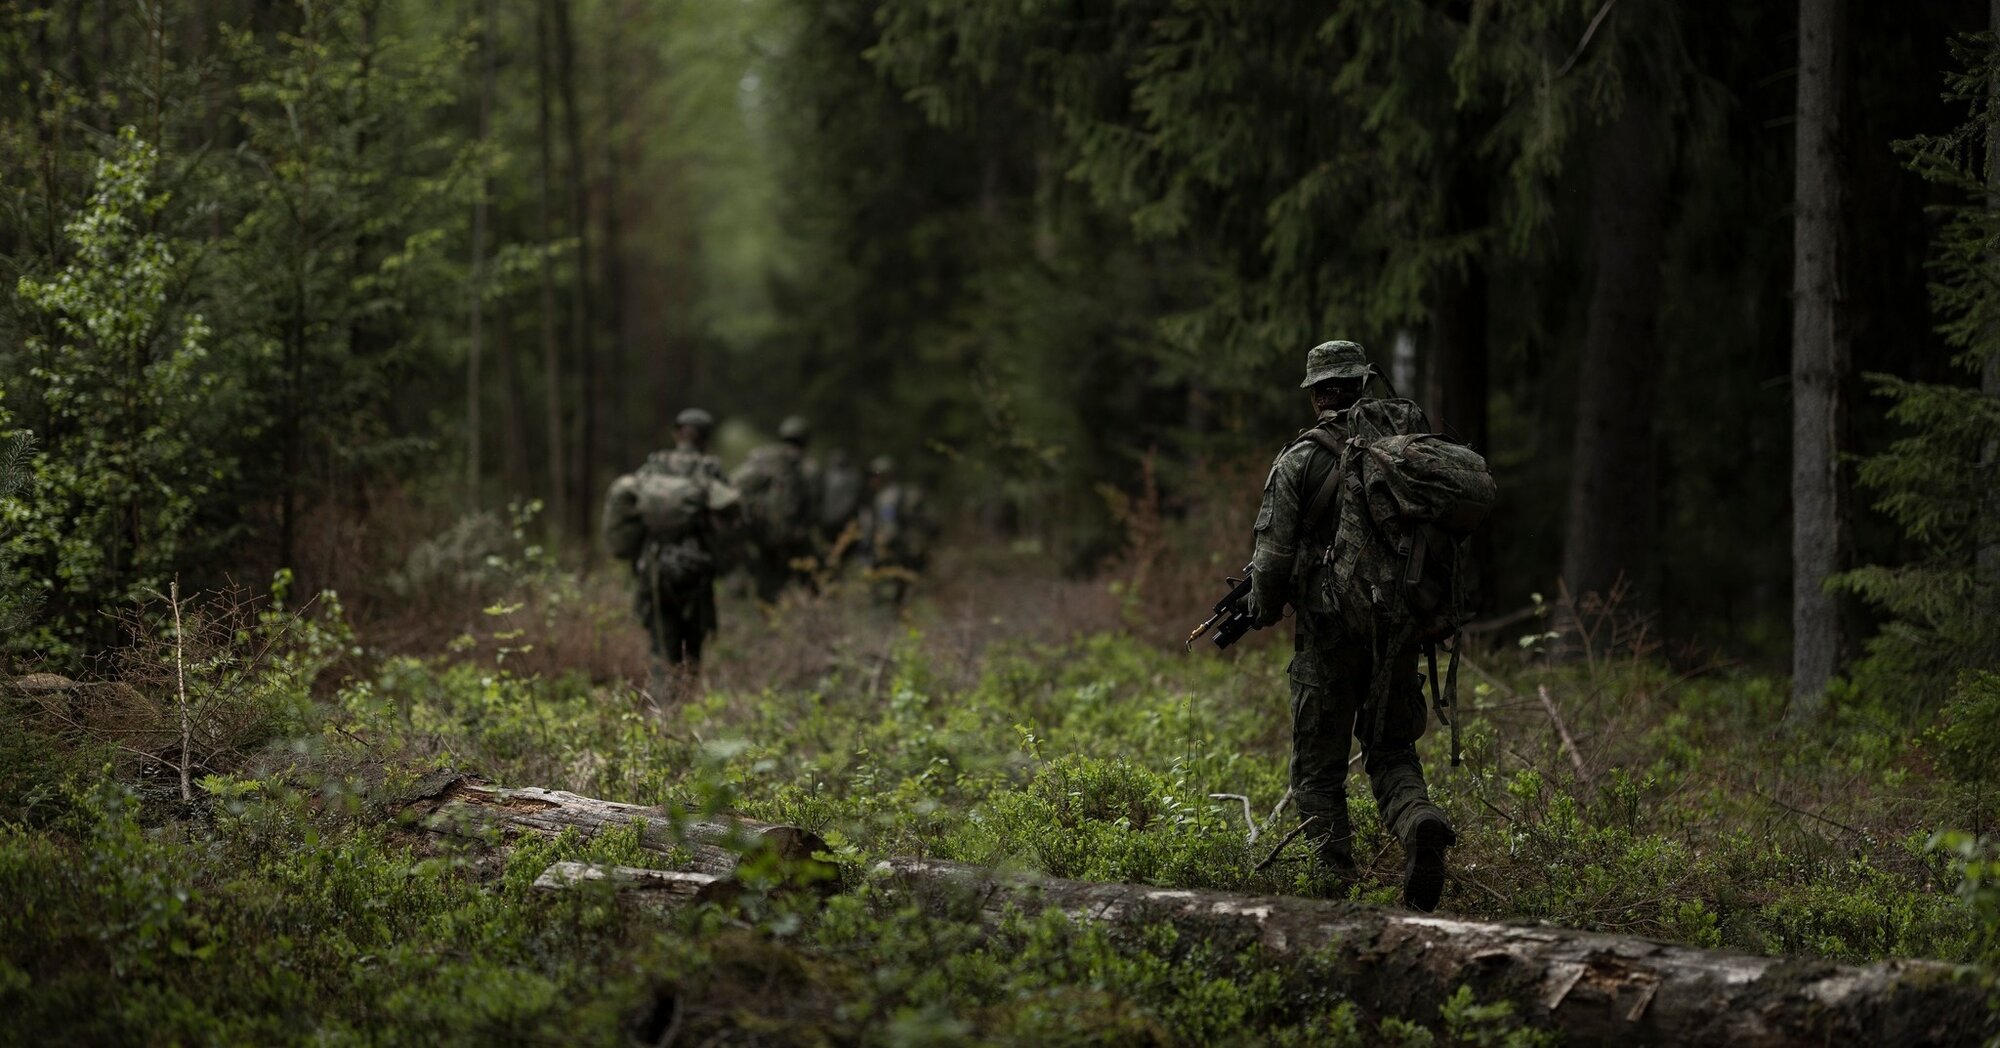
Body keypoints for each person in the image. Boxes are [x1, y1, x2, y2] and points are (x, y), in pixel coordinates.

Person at [1245, 340, 1457, 911]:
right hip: (1398, 627)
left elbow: (1270, 561)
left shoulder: (1299, 460)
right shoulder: (1407, 452)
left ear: (1316, 393)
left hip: (1329, 632)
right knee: (1390, 749)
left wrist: (1262, 611)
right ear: (1363, 384)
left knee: (1318, 769)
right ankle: (1418, 823)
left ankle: (1335, 894)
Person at [607, 407, 737, 704]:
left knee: (661, 649)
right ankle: (682, 711)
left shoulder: (654, 467)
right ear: (705, 439)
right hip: (696, 574)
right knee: (691, 649)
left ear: (678, 434)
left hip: (655, 570)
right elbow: (731, 525)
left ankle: (660, 715)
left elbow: (631, 513)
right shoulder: (711, 472)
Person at [731, 415, 819, 603]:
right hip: (791, 535)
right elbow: (812, 504)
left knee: (767, 578)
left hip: (760, 533)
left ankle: (767, 613)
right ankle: (809, 613)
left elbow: (736, 484)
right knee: (809, 577)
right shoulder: (806, 464)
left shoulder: (763, 457)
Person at [858, 455, 934, 606]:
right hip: (904, 549)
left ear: (886, 476)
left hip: (892, 552)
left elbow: (889, 528)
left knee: (888, 594)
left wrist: (881, 550)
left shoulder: (887, 497)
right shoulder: (898, 492)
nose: (872, 480)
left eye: (876, 476)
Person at [642, 408, 726, 484]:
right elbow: (730, 496)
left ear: (676, 435)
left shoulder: (657, 461)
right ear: (706, 438)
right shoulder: (710, 467)